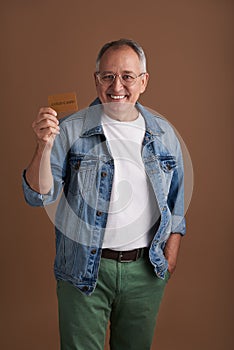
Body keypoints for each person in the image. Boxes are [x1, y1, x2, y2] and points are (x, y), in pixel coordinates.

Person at [22, 38, 186, 350]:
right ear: (96, 80)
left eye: (127, 76)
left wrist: (172, 249)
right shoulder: (69, 128)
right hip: (84, 271)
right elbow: (38, 195)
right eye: (107, 76)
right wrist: (43, 145)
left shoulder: (163, 133)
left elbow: (175, 197)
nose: (117, 86)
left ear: (143, 82)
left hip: (145, 271)